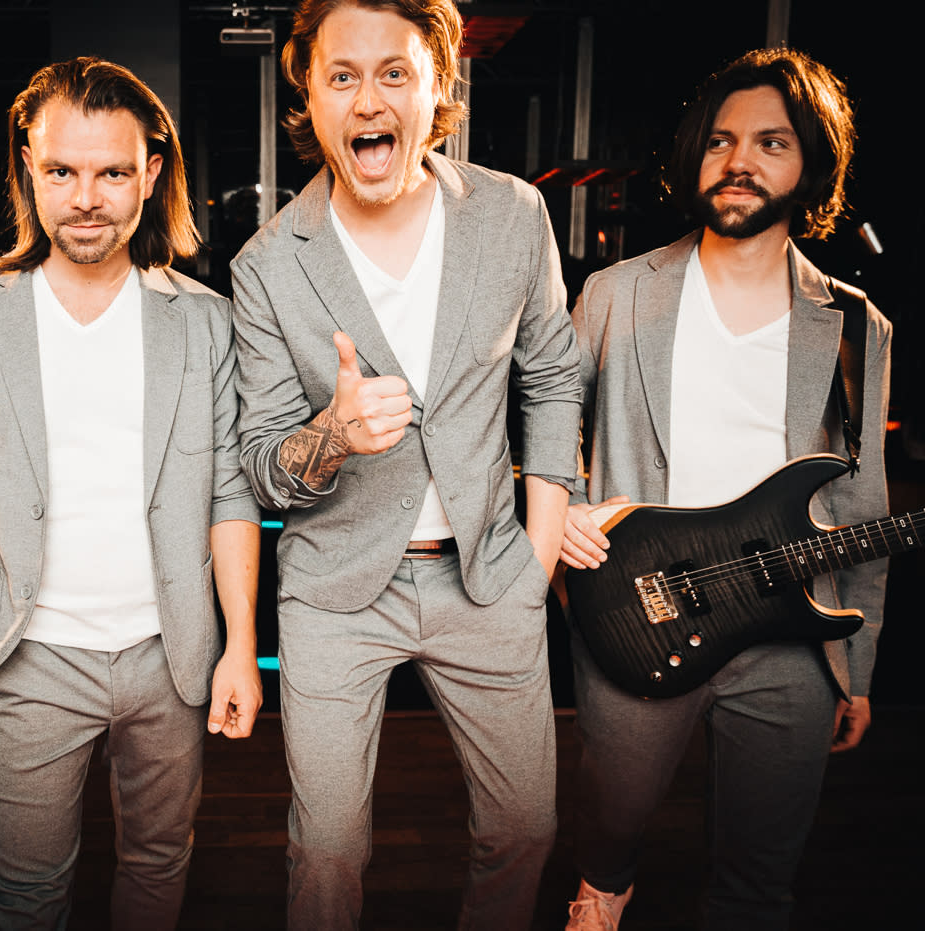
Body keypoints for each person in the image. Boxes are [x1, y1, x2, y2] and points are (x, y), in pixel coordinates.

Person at [0, 57, 262, 929]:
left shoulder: (206, 322)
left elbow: (230, 494)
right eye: (61, 171)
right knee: (24, 895)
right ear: (28, 166)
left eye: (112, 173)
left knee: (159, 866)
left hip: (171, 657)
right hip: (26, 657)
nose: (86, 199)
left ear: (151, 174)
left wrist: (241, 644)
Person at [230, 1, 581, 927]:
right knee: (327, 850)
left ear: (438, 83)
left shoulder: (513, 214)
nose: (368, 99)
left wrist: (537, 562)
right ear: (308, 96)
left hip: (489, 577)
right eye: (341, 76)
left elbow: (552, 379)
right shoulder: (267, 265)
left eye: (395, 72)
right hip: (334, 590)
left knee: (525, 829)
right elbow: (263, 466)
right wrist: (332, 434)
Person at [559, 48, 890, 931]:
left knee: (759, 878)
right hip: (640, 610)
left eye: (771, 142)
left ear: (811, 166)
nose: (738, 160)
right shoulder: (615, 295)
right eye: (719, 140)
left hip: (792, 638)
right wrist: (562, 511)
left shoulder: (857, 326)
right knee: (606, 842)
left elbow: (863, 505)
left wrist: (855, 668)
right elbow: (545, 431)